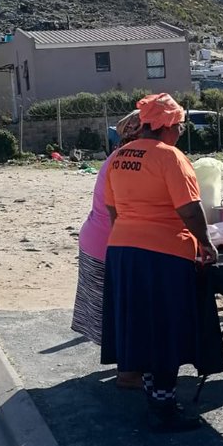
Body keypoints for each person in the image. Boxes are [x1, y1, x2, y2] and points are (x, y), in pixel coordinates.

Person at [100, 92, 222, 432]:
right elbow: (189, 209)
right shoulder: (170, 157)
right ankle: (165, 404)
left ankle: (154, 394)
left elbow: (113, 210)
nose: (181, 131)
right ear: (168, 126)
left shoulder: (119, 156)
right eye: (180, 126)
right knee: (167, 327)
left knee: (142, 326)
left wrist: (131, 235)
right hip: (164, 254)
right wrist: (206, 243)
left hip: (124, 250)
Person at [71, 111, 144, 388]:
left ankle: (127, 368)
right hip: (108, 244)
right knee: (124, 310)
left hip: (97, 239)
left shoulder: (120, 157)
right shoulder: (129, 162)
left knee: (114, 311)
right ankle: (128, 373)